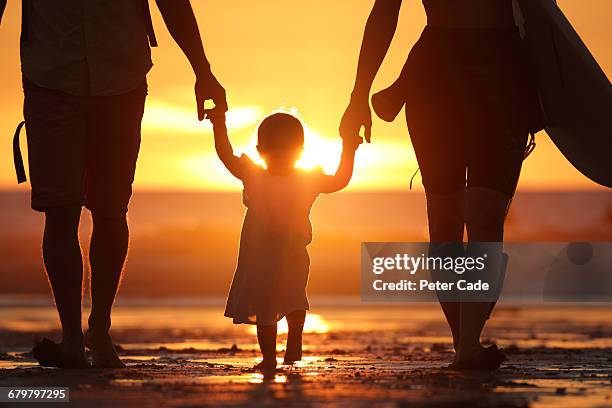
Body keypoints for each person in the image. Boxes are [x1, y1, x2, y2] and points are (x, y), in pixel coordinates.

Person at [7, 0, 226, 368]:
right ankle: (73, 339)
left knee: (111, 210)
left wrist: (203, 71)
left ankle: (99, 328)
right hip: (51, 76)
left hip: (120, 75)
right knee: (60, 212)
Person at [340, 0, 543, 369]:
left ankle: (469, 342)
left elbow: (543, 12)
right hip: (435, 75)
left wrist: (553, 89)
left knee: (485, 213)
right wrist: (358, 96)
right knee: (445, 219)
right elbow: (385, 12)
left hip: (504, 70)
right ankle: (464, 342)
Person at [207, 110, 361, 371]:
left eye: (285, 150)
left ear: (300, 151)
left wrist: (349, 147)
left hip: (278, 255)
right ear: (260, 150)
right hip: (273, 256)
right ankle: (281, 349)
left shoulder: (284, 177)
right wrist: (219, 124)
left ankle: (282, 349)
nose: (280, 155)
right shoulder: (271, 176)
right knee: (281, 302)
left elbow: (340, 180)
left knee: (281, 301)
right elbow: (224, 153)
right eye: (274, 150)